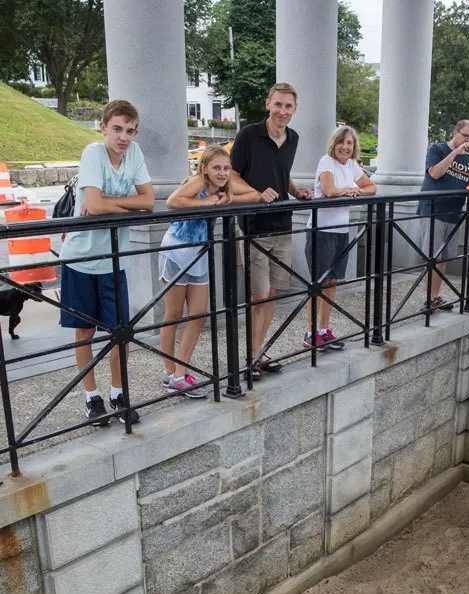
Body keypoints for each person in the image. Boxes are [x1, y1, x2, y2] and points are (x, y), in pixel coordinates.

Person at [59, 99, 154, 425]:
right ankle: (92, 398)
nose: (123, 137)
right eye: (117, 129)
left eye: (129, 130)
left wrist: (107, 202)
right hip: (81, 259)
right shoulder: (93, 153)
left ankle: (118, 393)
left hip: (113, 261)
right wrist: (117, 205)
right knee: (83, 332)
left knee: (120, 333)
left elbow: (149, 201)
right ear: (103, 127)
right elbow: (95, 206)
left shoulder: (135, 155)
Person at [230, 82, 312, 380]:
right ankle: (251, 358)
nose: (282, 111)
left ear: (294, 110)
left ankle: (258, 350)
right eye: (278, 104)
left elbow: (283, 172)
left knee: (273, 292)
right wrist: (255, 195)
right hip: (254, 226)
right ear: (268, 104)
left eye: (288, 106)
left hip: (283, 223)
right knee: (259, 295)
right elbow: (233, 176)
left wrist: (295, 191)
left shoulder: (293, 138)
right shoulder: (249, 135)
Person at [158, 145, 254, 397]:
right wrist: (207, 202)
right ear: (205, 168)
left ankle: (181, 371)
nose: (222, 173)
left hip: (199, 255)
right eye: (217, 168)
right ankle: (170, 372)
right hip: (178, 251)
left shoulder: (224, 188)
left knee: (199, 314)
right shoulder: (198, 182)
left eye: (226, 168)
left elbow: (251, 195)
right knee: (174, 313)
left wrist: (227, 199)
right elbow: (173, 201)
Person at [303, 125, 376, 349]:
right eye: (341, 142)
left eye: (349, 143)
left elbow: (372, 187)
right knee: (319, 283)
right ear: (334, 144)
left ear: (354, 147)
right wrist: (349, 190)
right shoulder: (327, 162)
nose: (345, 147)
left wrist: (358, 191)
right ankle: (310, 333)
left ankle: (324, 330)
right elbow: (328, 190)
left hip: (341, 231)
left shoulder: (351, 166)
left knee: (332, 282)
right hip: (322, 230)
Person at [417, 119, 469, 313]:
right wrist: (456, 152)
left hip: (454, 212)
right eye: (466, 135)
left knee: (444, 259)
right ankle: (428, 299)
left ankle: (435, 297)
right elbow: (434, 173)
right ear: (455, 133)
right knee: (433, 257)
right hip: (433, 210)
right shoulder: (437, 149)